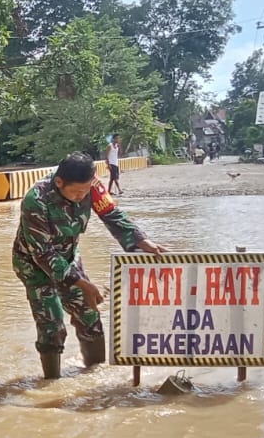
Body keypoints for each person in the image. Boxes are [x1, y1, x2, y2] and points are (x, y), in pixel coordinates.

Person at [12, 152, 167, 380]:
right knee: (51, 324)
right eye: (76, 192)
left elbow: (111, 214)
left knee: (89, 314)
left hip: (68, 256)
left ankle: (94, 374)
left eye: (85, 192)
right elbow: (43, 254)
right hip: (33, 264)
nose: (82, 197)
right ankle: (51, 384)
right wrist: (84, 284)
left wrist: (141, 240)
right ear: (59, 182)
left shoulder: (92, 186)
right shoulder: (36, 200)